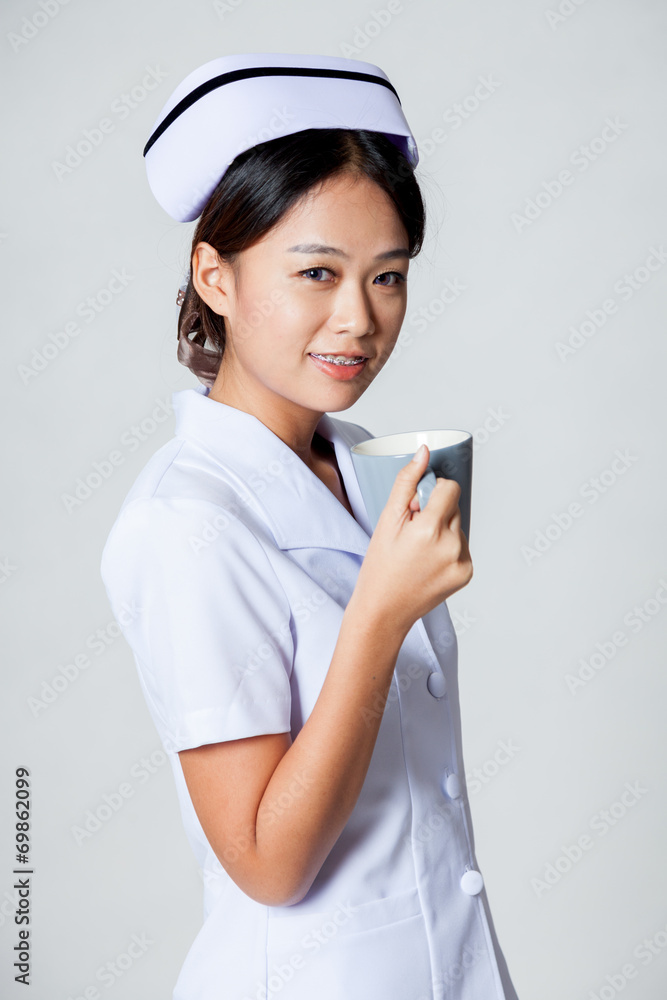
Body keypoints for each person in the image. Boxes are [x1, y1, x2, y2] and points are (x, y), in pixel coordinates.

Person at [101, 53, 520, 1000]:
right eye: (317, 272)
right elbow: (267, 861)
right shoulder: (188, 520)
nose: (358, 320)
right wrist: (379, 615)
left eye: (387, 277)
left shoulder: (359, 460)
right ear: (214, 275)